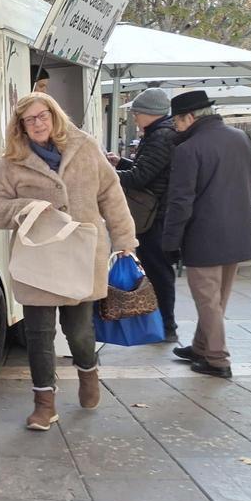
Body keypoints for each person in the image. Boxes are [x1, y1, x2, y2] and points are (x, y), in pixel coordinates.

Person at [0, 92, 137, 431]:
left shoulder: (85, 147)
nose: (38, 123)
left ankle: (88, 373)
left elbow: (111, 193)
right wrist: (24, 208)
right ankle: (44, 404)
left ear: (54, 116)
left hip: (82, 255)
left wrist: (125, 239)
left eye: (43, 116)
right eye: (30, 119)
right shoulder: (11, 161)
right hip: (38, 259)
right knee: (38, 335)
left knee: (79, 331)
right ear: (21, 126)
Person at [162, 90, 251, 379]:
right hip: (239, 230)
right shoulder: (240, 137)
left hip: (204, 235)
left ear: (189, 117)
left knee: (207, 299)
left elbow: (180, 202)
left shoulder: (188, 149)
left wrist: (170, 242)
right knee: (218, 298)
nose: (175, 128)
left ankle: (217, 359)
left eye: (176, 122)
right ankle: (201, 346)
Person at [107, 88, 180, 341]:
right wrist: (121, 163)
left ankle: (166, 326)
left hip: (155, 216)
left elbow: (140, 178)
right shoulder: (160, 133)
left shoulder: (160, 136)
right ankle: (161, 324)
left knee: (158, 271)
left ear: (150, 113)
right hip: (156, 213)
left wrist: (105, 175)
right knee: (156, 269)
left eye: (137, 112)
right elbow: (147, 170)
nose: (135, 117)